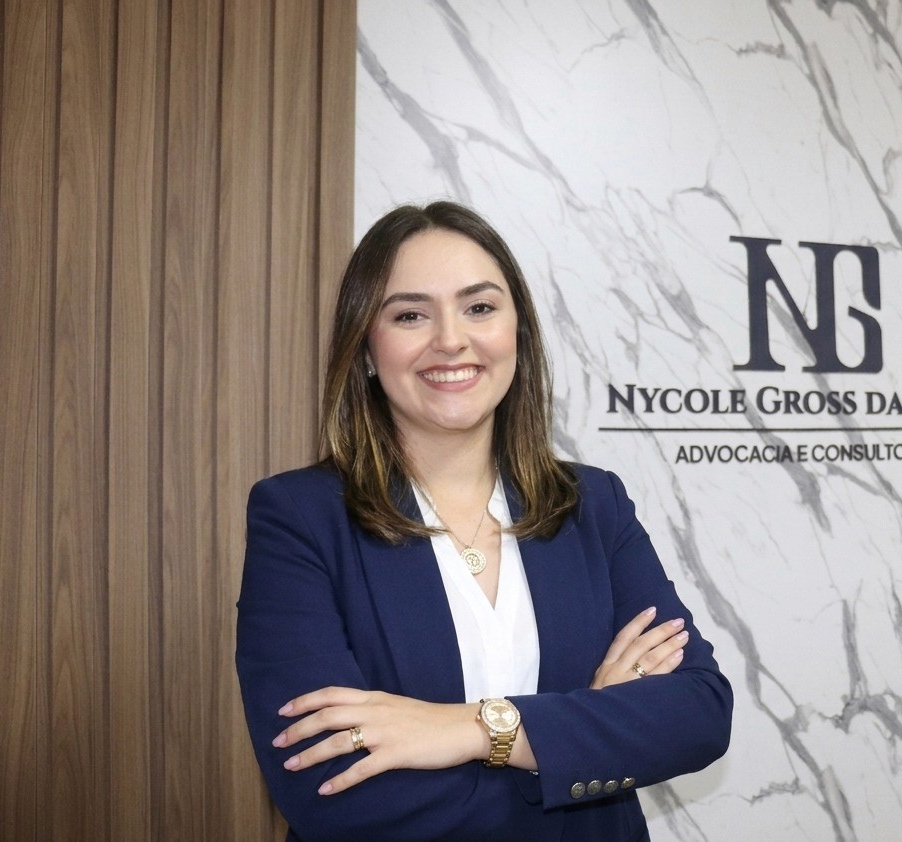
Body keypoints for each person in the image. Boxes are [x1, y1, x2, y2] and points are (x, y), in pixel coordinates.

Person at [236, 201, 733, 841]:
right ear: (365, 348)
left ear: (516, 333)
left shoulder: (592, 504)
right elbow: (332, 796)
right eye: (410, 314)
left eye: (480, 307)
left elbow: (698, 714)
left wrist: (470, 730)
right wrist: (581, 737)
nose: (451, 339)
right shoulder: (300, 518)